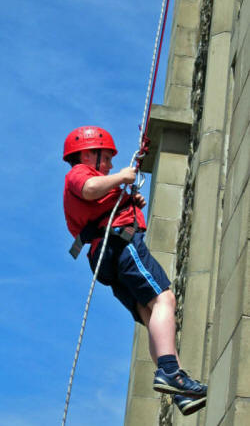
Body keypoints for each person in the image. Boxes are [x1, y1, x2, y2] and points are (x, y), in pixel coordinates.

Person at [63, 126, 207, 416]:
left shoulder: (99, 182)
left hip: (106, 254)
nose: (112, 165)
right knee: (164, 300)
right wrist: (121, 179)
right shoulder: (80, 174)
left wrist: (128, 200)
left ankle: (178, 386)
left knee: (149, 311)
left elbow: (97, 201)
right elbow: (89, 190)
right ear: (89, 154)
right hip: (119, 243)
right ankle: (170, 371)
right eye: (107, 158)